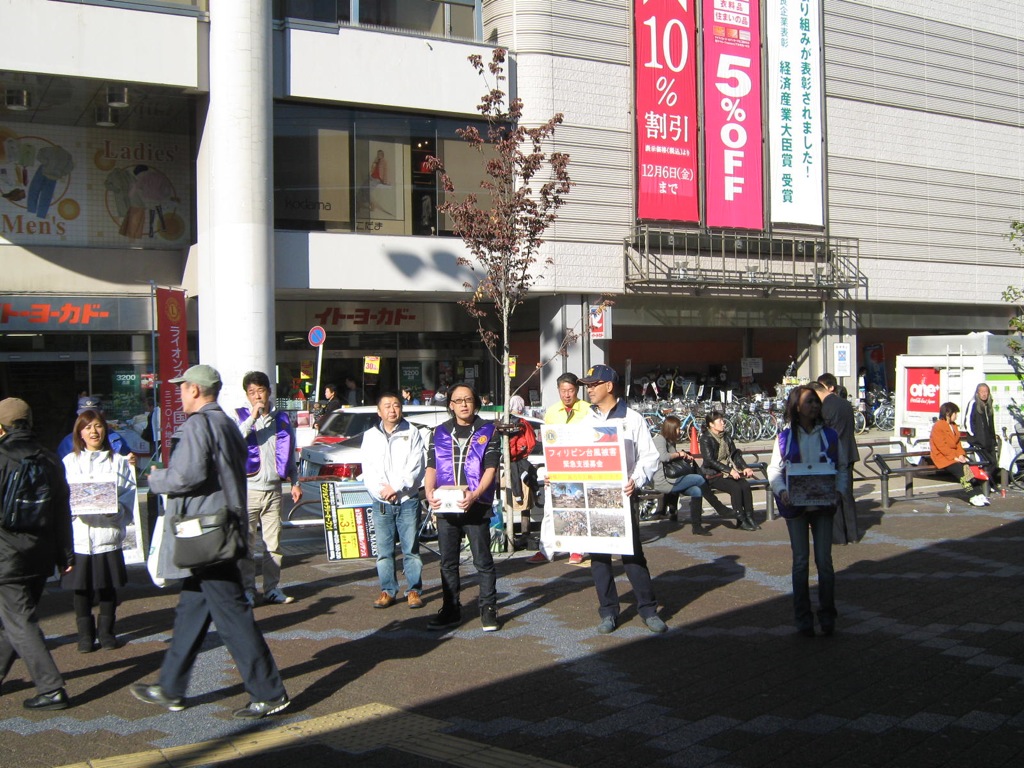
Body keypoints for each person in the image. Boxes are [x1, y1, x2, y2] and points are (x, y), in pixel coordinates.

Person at [131, 364, 290, 719]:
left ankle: (269, 693)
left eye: (182, 387)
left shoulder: (198, 425)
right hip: (221, 530)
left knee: (233, 616)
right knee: (191, 610)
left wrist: (156, 479)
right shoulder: (227, 424)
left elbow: (186, 476)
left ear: (194, 390)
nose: (179, 393)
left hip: (205, 535)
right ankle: (170, 687)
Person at [578, 365, 667, 634]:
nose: (589, 389)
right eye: (587, 385)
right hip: (593, 497)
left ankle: (648, 609)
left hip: (623, 495)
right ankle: (608, 611)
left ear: (609, 386)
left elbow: (649, 456)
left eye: (594, 384)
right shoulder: (586, 420)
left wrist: (635, 480)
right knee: (599, 557)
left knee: (632, 554)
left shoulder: (633, 418)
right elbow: (574, 455)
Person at [0, 398, 75, 711]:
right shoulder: (49, 459)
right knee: (14, 619)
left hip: (6, 554)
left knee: (20, 620)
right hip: (41, 554)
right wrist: (66, 555)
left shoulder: (2, 458)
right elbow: (61, 511)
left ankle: (51, 688)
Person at [423, 382, 501, 632]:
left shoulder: (488, 430)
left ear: (475, 402)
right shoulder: (439, 432)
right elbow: (431, 466)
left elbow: (491, 468)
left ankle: (488, 609)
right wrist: (429, 492)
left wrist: (476, 494)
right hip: (446, 506)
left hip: (476, 505)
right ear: (451, 405)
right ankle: (450, 609)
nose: (464, 404)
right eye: (458, 400)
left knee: (482, 561)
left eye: (468, 399)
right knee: (448, 562)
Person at [768, 384, 844, 637]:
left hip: (823, 505)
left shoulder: (830, 435)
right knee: (800, 562)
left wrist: (839, 491)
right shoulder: (784, 438)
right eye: (808, 401)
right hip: (796, 506)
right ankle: (803, 618)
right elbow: (774, 470)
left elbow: (842, 466)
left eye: (815, 401)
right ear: (796, 407)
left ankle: (827, 615)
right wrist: (782, 491)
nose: (814, 405)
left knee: (824, 561)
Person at [61, 409, 135, 652]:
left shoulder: (119, 462)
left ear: (106, 430)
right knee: (81, 589)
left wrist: (115, 511)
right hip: (79, 537)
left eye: (98, 426)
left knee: (107, 587)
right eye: (87, 427)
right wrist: (71, 510)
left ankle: (106, 633)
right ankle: (85, 636)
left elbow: (128, 497)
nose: (93, 431)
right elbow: (61, 497)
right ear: (79, 433)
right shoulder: (69, 462)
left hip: (107, 536)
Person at [235, 371, 302, 606]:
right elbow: (234, 442)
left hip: (274, 490)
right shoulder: (239, 416)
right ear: (247, 395)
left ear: (269, 392)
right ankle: (247, 590)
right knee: (246, 545)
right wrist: (252, 418)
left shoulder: (282, 419)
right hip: (248, 491)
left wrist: (295, 482)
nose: (257, 396)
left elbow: (290, 454)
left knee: (273, 545)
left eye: (260, 391)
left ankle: (272, 588)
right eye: (251, 392)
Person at [361, 392, 426, 610]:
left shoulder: (412, 432)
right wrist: (381, 491)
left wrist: (396, 487)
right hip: (381, 502)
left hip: (407, 499)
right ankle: (388, 590)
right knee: (384, 552)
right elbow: (368, 469)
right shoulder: (370, 436)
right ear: (379, 411)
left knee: (411, 550)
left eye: (396, 405)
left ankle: (414, 591)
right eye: (387, 406)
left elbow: (416, 466)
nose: (392, 410)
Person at [530, 372, 589, 564]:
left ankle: (577, 550)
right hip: (556, 466)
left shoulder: (588, 410)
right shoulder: (552, 412)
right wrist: (548, 469)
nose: (567, 394)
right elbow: (548, 443)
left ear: (576, 390)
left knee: (577, 507)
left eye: (570, 390)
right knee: (550, 509)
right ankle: (546, 550)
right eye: (563, 390)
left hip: (579, 466)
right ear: (558, 390)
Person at [650, 415, 733, 536]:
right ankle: (719, 507)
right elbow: (664, 457)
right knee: (698, 479)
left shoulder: (671, 441)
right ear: (671, 428)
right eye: (677, 428)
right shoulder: (660, 440)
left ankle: (697, 527)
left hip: (673, 478)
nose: (680, 431)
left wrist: (684, 456)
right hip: (664, 481)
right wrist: (679, 454)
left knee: (696, 491)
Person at [815, 374, 859, 544]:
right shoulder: (845, 404)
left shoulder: (824, 408)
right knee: (847, 495)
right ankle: (853, 534)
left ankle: (839, 537)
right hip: (848, 453)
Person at [699, 412, 760, 531]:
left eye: (723, 420)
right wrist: (729, 470)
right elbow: (709, 461)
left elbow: (735, 455)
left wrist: (745, 467)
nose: (723, 423)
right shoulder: (705, 438)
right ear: (711, 424)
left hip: (726, 472)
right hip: (712, 474)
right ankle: (741, 519)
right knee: (735, 488)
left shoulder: (726, 436)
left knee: (745, 485)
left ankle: (750, 517)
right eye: (720, 421)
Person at [930, 401, 989, 507]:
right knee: (961, 472)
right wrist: (955, 457)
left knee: (967, 470)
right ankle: (972, 496)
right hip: (942, 457)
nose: (956, 416)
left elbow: (957, 444)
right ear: (948, 413)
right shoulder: (938, 426)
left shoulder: (953, 426)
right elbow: (941, 446)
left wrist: (961, 455)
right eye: (955, 413)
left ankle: (979, 493)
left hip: (953, 456)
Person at [57, 396, 132, 460]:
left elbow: (127, 462)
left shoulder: (116, 440)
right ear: (79, 417)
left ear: (101, 416)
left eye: (93, 415)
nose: (93, 430)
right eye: (85, 416)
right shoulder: (68, 443)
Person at [506, 395, 538, 543]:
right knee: (527, 474)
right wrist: (524, 453)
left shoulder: (504, 420)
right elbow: (532, 442)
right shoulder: (523, 422)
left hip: (508, 462)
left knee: (510, 502)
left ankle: (511, 535)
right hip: (521, 458)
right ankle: (525, 533)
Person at [963, 383, 998, 491]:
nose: (984, 394)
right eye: (982, 392)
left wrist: (994, 438)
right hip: (978, 441)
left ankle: (987, 483)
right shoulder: (973, 403)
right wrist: (974, 436)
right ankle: (983, 484)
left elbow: (990, 423)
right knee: (987, 462)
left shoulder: (988, 404)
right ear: (977, 393)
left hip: (989, 440)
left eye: (986, 392)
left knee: (993, 463)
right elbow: (968, 421)